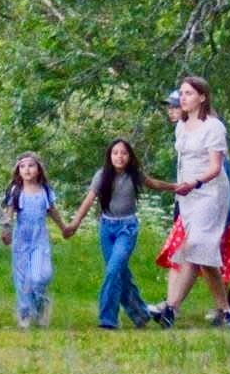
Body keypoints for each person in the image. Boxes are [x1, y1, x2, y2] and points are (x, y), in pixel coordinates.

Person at [149, 76, 230, 329]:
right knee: (201, 253)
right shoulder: (181, 126)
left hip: (210, 194)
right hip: (187, 196)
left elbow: (216, 167)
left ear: (202, 97)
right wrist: (180, 187)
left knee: (196, 246)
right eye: (182, 94)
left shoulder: (214, 127)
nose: (183, 98)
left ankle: (171, 308)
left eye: (188, 93)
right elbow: (182, 162)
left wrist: (195, 183)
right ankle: (227, 311)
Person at [62, 138, 159, 329]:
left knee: (113, 270)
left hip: (127, 228)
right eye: (115, 153)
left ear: (129, 156)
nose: (119, 157)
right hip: (107, 228)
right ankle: (140, 314)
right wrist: (74, 224)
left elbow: (153, 184)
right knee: (120, 273)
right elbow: (89, 200)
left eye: (123, 153)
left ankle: (107, 320)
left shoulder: (134, 175)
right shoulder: (102, 175)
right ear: (110, 156)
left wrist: (175, 187)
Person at [0, 153, 65, 329]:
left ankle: (42, 304)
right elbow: (9, 212)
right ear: (18, 170)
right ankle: (25, 314)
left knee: (40, 276)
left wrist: (64, 228)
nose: (27, 170)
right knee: (22, 279)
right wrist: (6, 229)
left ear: (38, 169)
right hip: (21, 239)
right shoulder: (15, 190)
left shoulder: (45, 191)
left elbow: (53, 211)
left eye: (31, 166)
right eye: (23, 166)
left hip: (39, 240)